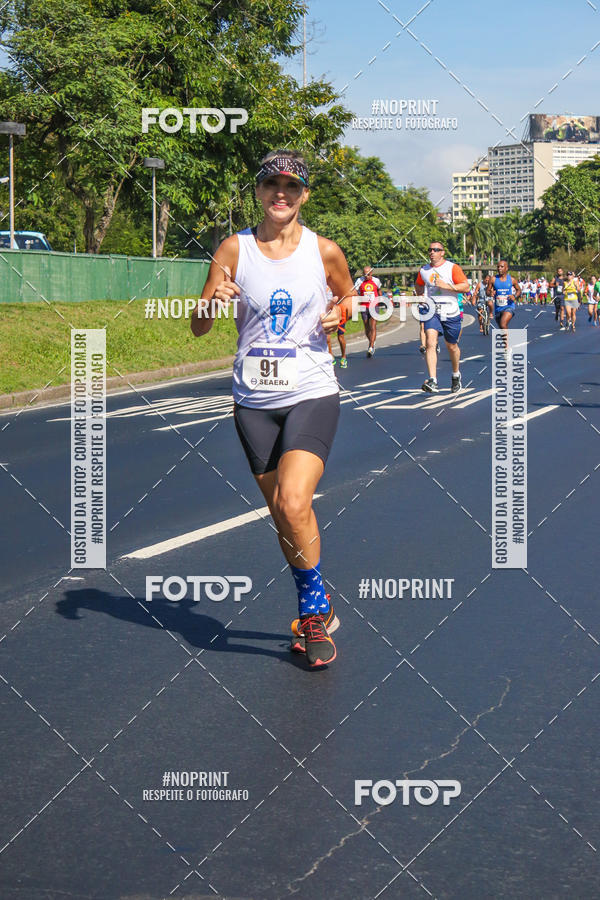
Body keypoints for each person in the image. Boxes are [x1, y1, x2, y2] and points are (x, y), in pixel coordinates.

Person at [191, 149, 356, 668]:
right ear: (259, 192)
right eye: (271, 185)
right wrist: (211, 303)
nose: (280, 194)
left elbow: (349, 297)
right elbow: (198, 326)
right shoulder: (233, 248)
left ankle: (312, 612)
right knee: (283, 516)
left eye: (291, 186)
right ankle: (318, 602)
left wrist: (341, 313)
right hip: (253, 402)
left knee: (293, 501)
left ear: (304, 194)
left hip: (311, 389)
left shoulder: (324, 251)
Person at [415, 240, 469, 394]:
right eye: (430, 250)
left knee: (451, 346)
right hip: (432, 310)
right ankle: (433, 380)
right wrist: (420, 295)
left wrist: (447, 286)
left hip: (451, 311)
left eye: (436, 250)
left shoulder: (452, 268)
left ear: (442, 253)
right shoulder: (424, 270)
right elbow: (418, 284)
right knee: (430, 342)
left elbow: (465, 286)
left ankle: (456, 374)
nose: (432, 252)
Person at [354, 265, 381, 357]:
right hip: (364, 307)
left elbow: (379, 290)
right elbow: (355, 292)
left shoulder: (376, 281)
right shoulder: (359, 281)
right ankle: (371, 341)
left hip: (374, 306)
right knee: (367, 327)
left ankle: (371, 346)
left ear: (371, 273)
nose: (367, 276)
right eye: (365, 274)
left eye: (368, 274)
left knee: (373, 326)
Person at [489, 259, 521, 329]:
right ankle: (507, 336)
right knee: (501, 328)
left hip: (509, 306)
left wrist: (514, 296)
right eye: (498, 267)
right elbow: (487, 291)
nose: (499, 268)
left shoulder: (512, 279)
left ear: (506, 268)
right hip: (498, 308)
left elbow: (519, 290)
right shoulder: (493, 279)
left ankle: (506, 337)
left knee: (503, 324)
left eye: (502, 266)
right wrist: (490, 293)